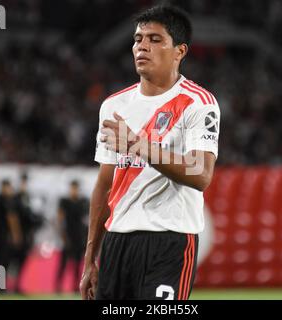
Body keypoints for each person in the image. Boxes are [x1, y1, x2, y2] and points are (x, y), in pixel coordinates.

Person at [80, 5, 220, 300]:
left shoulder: (198, 103)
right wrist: (90, 256)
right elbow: (105, 185)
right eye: (138, 38)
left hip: (170, 242)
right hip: (117, 243)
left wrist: (139, 145)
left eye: (155, 39)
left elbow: (201, 174)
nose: (142, 45)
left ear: (179, 51)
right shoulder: (114, 106)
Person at [0, 179, 22, 294]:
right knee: (2, 261)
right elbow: (11, 218)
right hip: (1, 235)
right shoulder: (6, 201)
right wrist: (16, 234)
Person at [11, 173, 43, 294]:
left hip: (25, 235)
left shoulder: (27, 198)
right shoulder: (15, 198)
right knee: (7, 261)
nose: (24, 185)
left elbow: (29, 217)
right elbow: (12, 218)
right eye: (22, 182)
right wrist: (15, 234)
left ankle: (16, 286)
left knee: (21, 261)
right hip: (15, 235)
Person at [55, 180, 89, 293]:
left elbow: (86, 220)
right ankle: (58, 286)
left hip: (79, 237)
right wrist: (62, 236)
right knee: (63, 263)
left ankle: (75, 285)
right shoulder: (64, 202)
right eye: (73, 188)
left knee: (77, 263)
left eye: (76, 188)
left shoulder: (83, 202)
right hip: (67, 236)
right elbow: (60, 219)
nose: (74, 191)